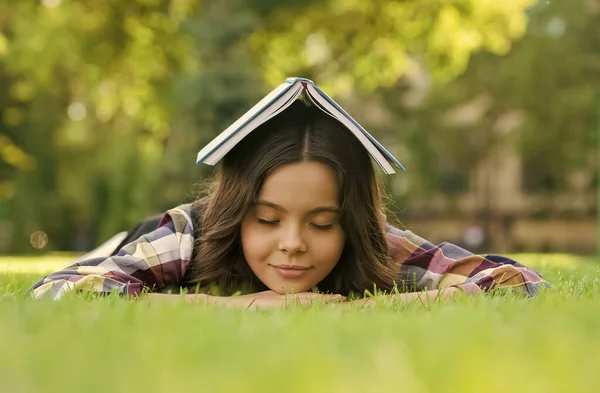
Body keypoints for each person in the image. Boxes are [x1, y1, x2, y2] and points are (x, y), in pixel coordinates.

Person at [27, 100, 549, 308]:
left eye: (323, 223)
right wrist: (234, 308)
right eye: (268, 219)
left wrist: (370, 309)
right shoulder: (195, 232)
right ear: (238, 213)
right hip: (144, 238)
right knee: (114, 249)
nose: (294, 244)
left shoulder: (377, 244)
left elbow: (521, 284)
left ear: (350, 224)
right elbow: (61, 291)